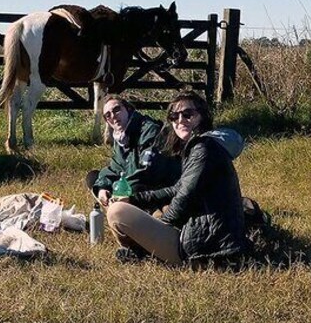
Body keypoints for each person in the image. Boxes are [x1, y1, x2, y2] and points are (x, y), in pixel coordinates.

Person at [106, 90, 250, 264]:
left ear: (202, 117)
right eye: (174, 116)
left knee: (117, 212)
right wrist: (133, 199)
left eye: (188, 114)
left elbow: (185, 197)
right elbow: (177, 188)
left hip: (208, 249)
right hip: (214, 239)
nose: (180, 120)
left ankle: (143, 252)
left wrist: (161, 226)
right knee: (146, 207)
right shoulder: (201, 146)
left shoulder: (203, 149)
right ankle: (143, 250)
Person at [90, 95, 181, 207]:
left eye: (117, 110)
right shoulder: (120, 137)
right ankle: (115, 206)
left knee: (134, 187)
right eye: (108, 115)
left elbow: (147, 171)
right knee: (94, 178)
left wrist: (118, 189)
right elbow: (115, 169)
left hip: (157, 186)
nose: (113, 116)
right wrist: (102, 188)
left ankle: (150, 214)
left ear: (128, 109)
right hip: (132, 181)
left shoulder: (149, 130)